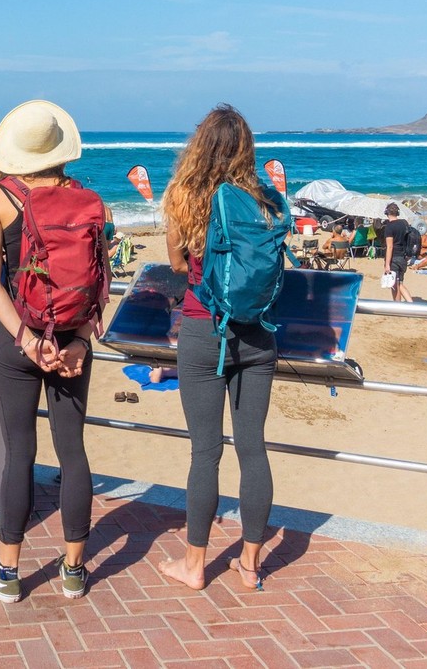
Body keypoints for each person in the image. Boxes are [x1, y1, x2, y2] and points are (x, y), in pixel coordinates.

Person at [0, 101, 102, 603]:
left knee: (19, 451)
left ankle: (7, 573)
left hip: (18, 340)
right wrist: (79, 341)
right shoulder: (89, 200)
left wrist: (27, 340)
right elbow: (96, 284)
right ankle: (72, 570)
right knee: (73, 451)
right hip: (72, 340)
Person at [155, 104, 284, 593]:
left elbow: (175, 259)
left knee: (205, 452)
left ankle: (194, 565)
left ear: (199, 145)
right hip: (258, 332)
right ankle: (249, 565)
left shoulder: (185, 195)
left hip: (203, 328)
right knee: (253, 447)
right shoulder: (264, 196)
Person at [381, 203, 413, 303]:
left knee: (394, 285)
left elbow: (390, 247)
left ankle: (397, 306)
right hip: (403, 257)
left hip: (394, 258)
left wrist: (387, 265)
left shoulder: (389, 227)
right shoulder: (404, 223)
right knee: (399, 283)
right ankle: (411, 304)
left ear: (386, 213)